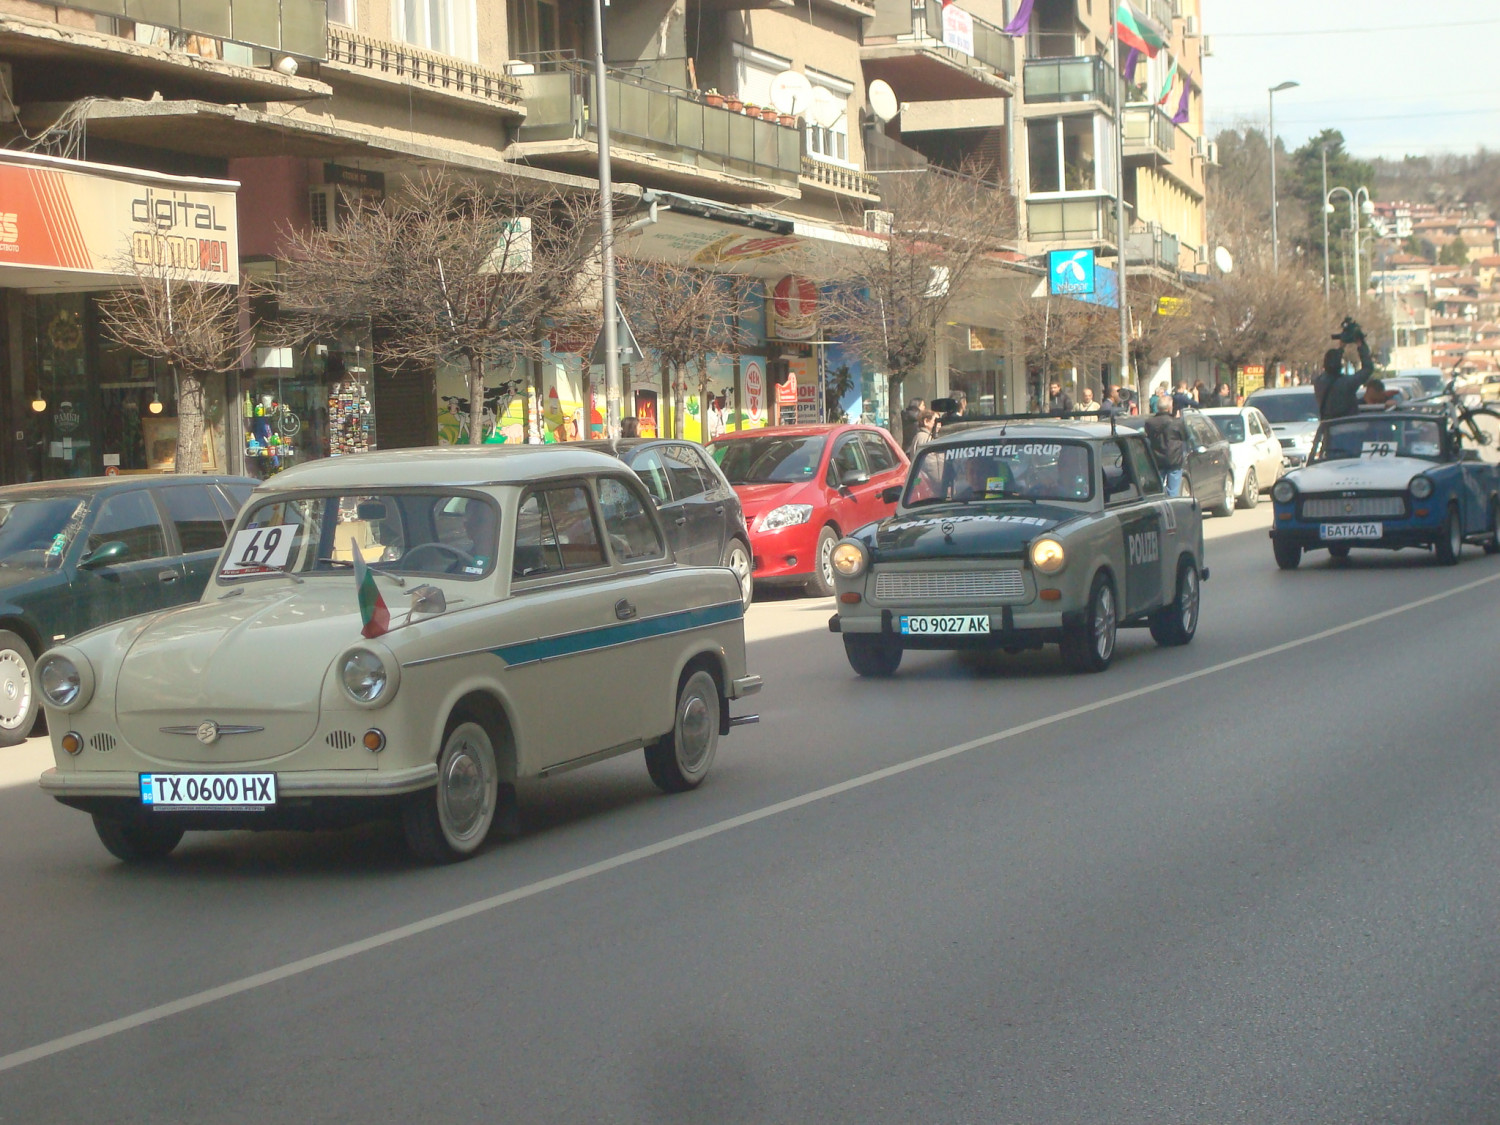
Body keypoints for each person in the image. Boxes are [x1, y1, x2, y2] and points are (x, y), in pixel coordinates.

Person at [1313, 317, 1374, 419]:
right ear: (1340, 366)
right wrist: (1361, 345)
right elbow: (1368, 369)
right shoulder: (1347, 383)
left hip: (1329, 427)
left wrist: (1341, 348)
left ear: (1324, 365)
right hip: (1348, 425)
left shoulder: (1319, 383)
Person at [1144, 396, 1189, 497]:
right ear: (1169, 408)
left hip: (1156, 458)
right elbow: (1186, 436)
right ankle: (1172, 508)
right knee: (1173, 490)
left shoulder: (1149, 423)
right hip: (1174, 459)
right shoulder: (1176, 423)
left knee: (1156, 490)